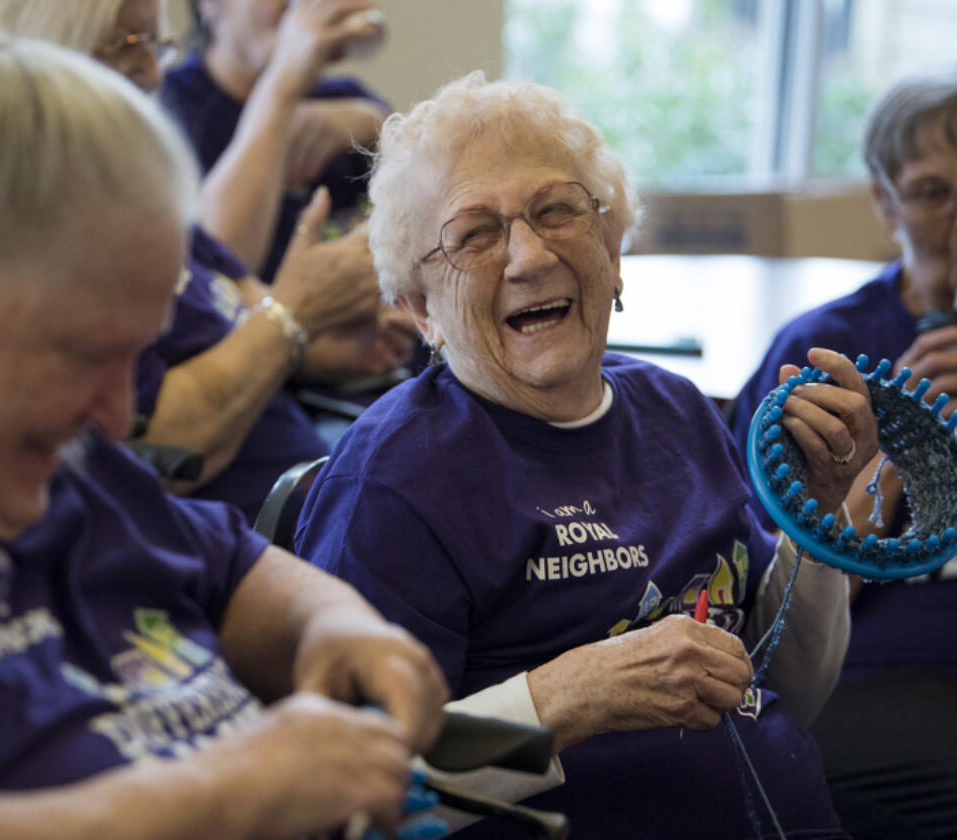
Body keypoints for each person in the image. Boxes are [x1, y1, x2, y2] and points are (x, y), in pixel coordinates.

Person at [0, 27, 449, 840]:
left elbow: (232, 568)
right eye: (82, 353)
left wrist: (341, 629)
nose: (115, 418)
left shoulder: (41, 456)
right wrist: (231, 792)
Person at [294, 71, 881, 839]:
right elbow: (355, 791)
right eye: (474, 233)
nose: (529, 256)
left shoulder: (678, 411)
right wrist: (562, 702)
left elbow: (785, 694)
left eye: (558, 210)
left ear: (612, 247)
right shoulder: (393, 483)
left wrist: (818, 520)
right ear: (418, 309)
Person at [0, 0, 415, 523]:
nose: (156, 74)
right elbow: (154, 444)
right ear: (36, 52)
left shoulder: (135, 204)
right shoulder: (36, 240)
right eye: (127, 44)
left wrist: (319, 343)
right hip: (254, 525)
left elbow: (251, 302)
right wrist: (293, 317)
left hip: (307, 484)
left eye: (156, 46)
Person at [729, 71, 957, 840]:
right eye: (932, 193)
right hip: (878, 675)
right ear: (884, 204)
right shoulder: (822, 354)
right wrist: (902, 458)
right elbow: (769, 609)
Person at [162, 0, 389, 280]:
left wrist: (374, 124)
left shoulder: (351, 99)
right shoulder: (166, 106)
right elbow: (218, 274)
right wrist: (283, 80)